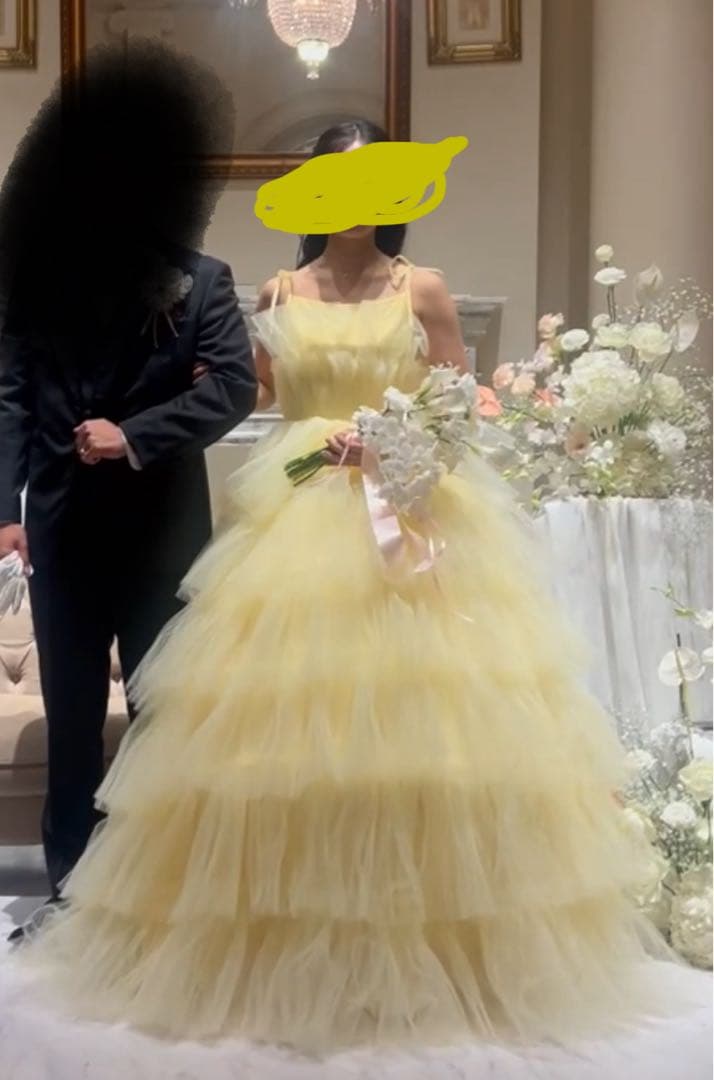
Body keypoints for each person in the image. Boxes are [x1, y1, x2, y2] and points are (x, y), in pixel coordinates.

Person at [13, 121, 690, 1050]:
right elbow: (250, 390)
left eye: (372, 181)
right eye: (337, 180)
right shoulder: (278, 291)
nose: (355, 198)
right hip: (294, 504)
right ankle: (265, 939)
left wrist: (390, 441)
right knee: (278, 725)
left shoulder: (424, 288)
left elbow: (459, 407)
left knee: (417, 720)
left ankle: (427, 932)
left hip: (401, 504)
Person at [0, 44, 257, 912]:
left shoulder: (204, 281)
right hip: (61, 530)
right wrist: (4, 509)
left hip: (162, 534)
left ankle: (157, 894)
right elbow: (8, 397)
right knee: (72, 723)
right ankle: (72, 896)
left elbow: (233, 387)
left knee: (161, 718)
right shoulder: (35, 281)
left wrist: (134, 435)